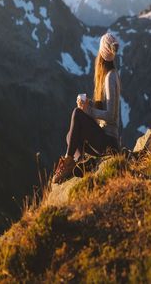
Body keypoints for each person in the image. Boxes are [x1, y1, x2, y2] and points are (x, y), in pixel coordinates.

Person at [52, 32, 121, 184]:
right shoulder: (109, 75)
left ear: (102, 52)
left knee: (77, 113)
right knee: (70, 137)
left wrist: (86, 110)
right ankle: (78, 161)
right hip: (104, 139)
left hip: (109, 142)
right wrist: (89, 105)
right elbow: (105, 110)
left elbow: (111, 115)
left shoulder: (110, 77)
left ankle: (69, 162)